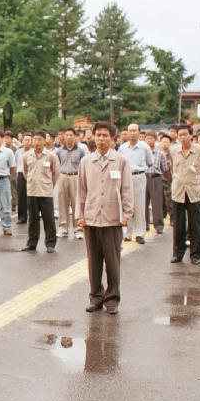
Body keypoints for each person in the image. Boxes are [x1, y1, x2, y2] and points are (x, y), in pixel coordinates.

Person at [76, 122, 132, 315]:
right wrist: (80, 215)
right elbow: (81, 191)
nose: (101, 139)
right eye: (98, 135)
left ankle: (112, 298)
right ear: (93, 137)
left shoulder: (121, 161)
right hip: (91, 217)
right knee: (93, 261)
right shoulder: (86, 161)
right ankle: (95, 297)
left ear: (112, 139)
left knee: (113, 261)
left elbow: (126, 189)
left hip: (112, 217)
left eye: (105, 135)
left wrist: (127, 213)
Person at [170, 125, 200, 265]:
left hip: (194, 192)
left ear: (191, 135)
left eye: (185, 134)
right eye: (180, 135)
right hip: (178, 191)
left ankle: (195, 254)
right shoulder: (173, 151)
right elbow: (173, 169)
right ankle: (178, 253)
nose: (182, 137)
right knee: (178, 224)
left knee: (195, 224)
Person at [21, 131, 60, 253]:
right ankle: (32, 243)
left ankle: (50, 243)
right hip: (32, 191)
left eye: (40, 140)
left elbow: (56, 173)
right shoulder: (27, 155)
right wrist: (32, 181)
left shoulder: (51, 156)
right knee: (32, 219)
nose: (37, 142)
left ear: (44, 141)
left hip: (45, 192)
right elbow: (25, 171)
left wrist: (49, 185)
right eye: (35, 139)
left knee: (48, 219)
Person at [118, 123, 153, 244]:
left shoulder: (145, 147)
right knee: (127, 205)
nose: (132, 133)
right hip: (126, 178)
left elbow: (150, 162)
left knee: (139, 206)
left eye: (134, 131)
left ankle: (139, 234)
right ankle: (127, 233)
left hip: (139, 177)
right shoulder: (122, 148)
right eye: (130, 131)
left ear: (139, 132)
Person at [57, 127, 87, 240]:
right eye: (67, 135)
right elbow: (56, 165)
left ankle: (78, 228)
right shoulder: (59, 151)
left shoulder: (81, 151)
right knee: (62, 203)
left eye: (71, 135)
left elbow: (83, 166)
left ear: (75, 137)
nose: (69, 137)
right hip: (63, 176)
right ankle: (63, 227)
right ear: (64, 137)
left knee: (76, 204)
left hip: (76, 177)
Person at [145, 132, 168, 236]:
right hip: (144, 177)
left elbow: (165, 168)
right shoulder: (143, 152)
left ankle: (158, 225)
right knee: (143, 203)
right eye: (147, 139)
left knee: (157, 203)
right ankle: (144, 224)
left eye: (151, 138)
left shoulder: (160, 153)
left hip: (156, 178)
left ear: (155, 140)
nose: (149, 140)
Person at [15, 134, 33, 224]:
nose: (27, 141)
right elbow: (15, 164)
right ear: (22, 141)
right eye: (25, 140)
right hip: (21, 174)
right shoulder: (18, 152)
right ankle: (22, 217)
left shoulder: (33, 152)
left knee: (32, 197)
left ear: (32, 141)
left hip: (31, 175)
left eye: (29, 140)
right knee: (21, 197)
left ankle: (33, 217)